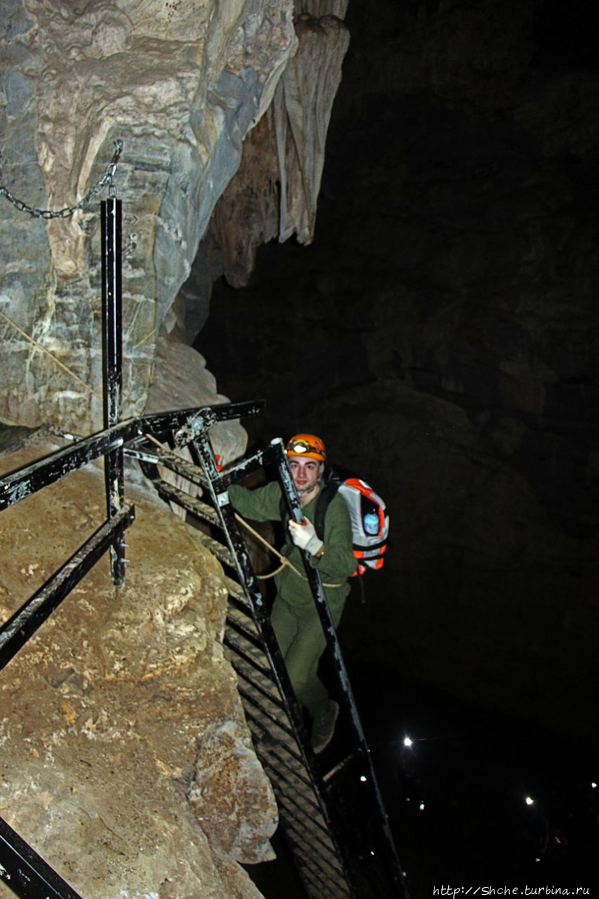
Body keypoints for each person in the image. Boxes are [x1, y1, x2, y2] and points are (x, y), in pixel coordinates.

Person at [228, 433, 357, 753]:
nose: (300, 474)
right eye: (294, 465)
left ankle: (323, 709)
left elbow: (345, 565)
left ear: (321, 471)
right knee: (275, 665)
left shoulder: (333, 507)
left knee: (298, 675)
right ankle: (286, 721)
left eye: (309, 467)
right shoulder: (283, 494)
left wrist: (315, 546)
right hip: (288, 595)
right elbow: (248, 503)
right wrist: (218, 482)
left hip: (321, 603)